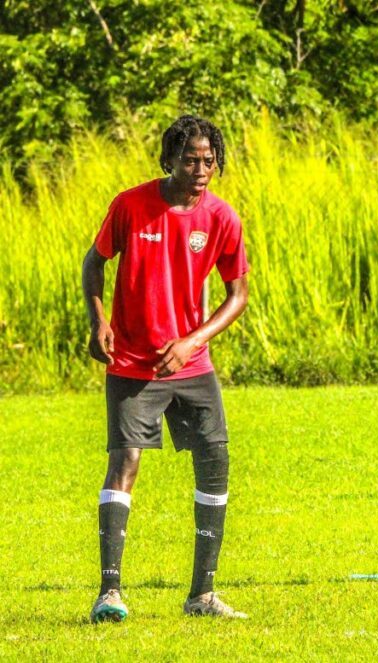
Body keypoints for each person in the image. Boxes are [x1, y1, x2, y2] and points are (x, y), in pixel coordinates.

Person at [82, 115, 250, 622]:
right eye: (191, 159)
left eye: (209, 160)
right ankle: (109, 593)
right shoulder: (131, 205)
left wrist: (192, 340)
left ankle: (202, 594)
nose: (202, 168)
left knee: (215, 462)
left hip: (192, 364)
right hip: (133, 363)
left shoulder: (222, 217)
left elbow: (237, 295)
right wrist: (99, 321)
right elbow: (94, 261)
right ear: (168, 160)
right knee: (125, 462)